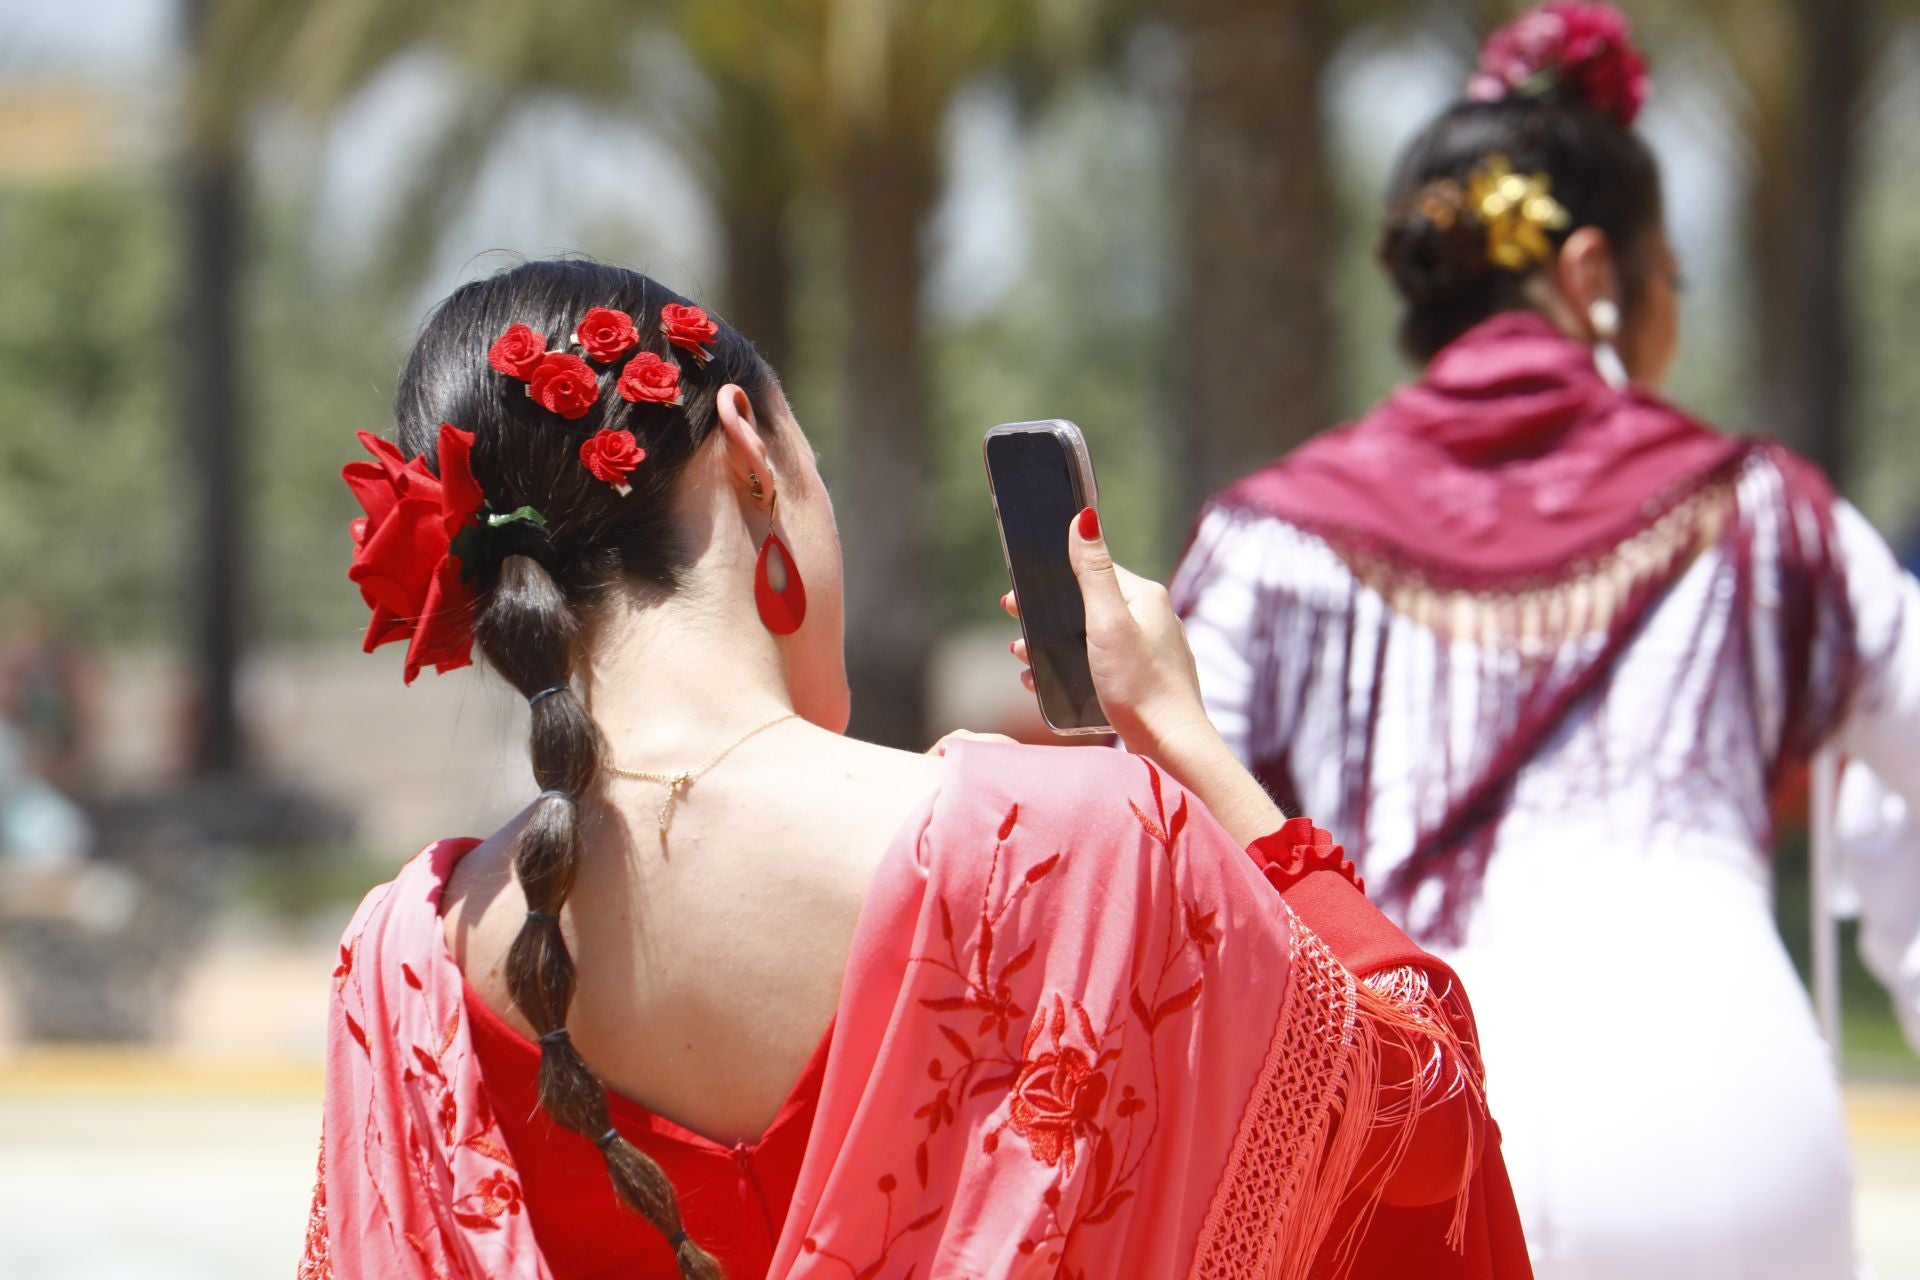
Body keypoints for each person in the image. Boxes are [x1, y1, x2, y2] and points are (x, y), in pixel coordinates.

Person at [300, 259, 1532, 1279]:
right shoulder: (1074, 852)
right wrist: (1189, 747)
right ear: (748, 451)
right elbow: (1420, 1122)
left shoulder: (406, 955)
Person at [1172, 5, 1920, 1278]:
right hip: (1728, 1138)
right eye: (1669, 280)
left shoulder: (1265, 545)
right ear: (1590, 279)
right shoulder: (1773, 514)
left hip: (1412, 1143)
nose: (1672, 313)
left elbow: (1175, 855)